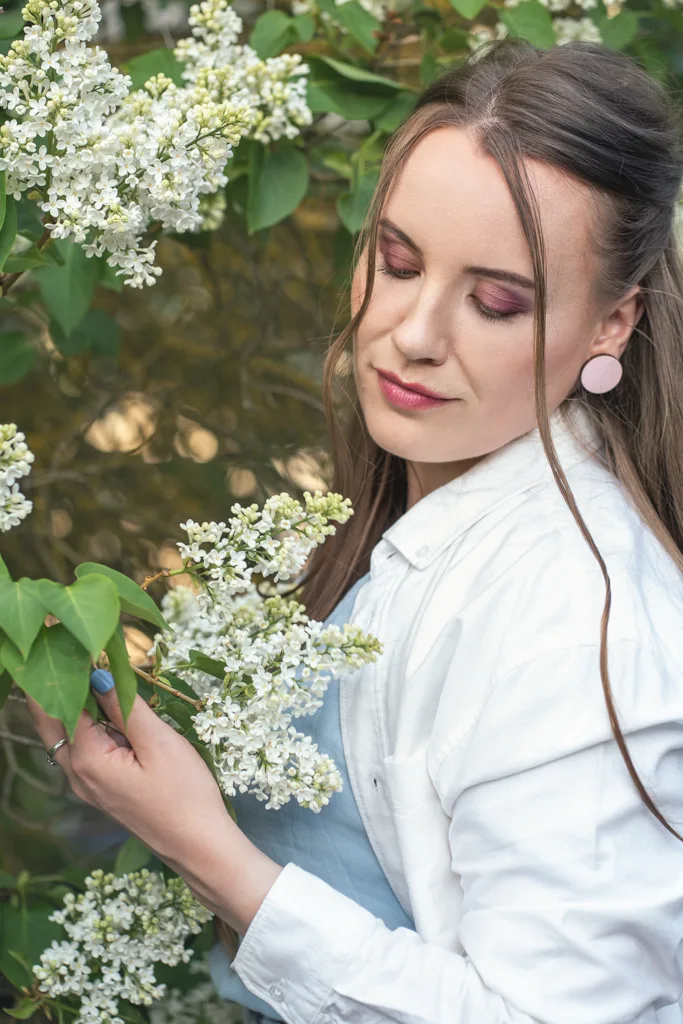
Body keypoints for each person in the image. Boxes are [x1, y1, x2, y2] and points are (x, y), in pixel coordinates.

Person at [27, 37, 683, 1024]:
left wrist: (204, 850)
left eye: (494, 300)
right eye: (397, 259)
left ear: (611, 324)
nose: (413, 333)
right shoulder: (422, 511)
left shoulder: (582, 624)